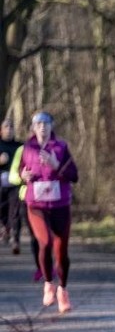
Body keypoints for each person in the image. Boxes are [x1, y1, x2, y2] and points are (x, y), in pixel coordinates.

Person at [9, 111, 79, 313]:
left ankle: (62, 290)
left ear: (52, 126)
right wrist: (23, 176)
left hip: (60, 205)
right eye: (38, 124)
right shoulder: (26, 149)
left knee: (61, 252)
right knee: (45, 242)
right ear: (32, 127)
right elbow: (17, 174)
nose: (42, 127)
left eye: (46, 123)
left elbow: (74, 175)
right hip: (36, 205)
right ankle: (48, 282)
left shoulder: (61, 147)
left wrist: (57, 165)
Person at [0, 118, 23, 254]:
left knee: (16, 212)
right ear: (1, 130)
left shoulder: (19, 146)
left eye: (11, 127)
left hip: (15, 184)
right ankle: (5, 228)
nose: (9, 129)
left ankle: (16, 240)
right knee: (2, 210)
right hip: (0, 184)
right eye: (6, 127)